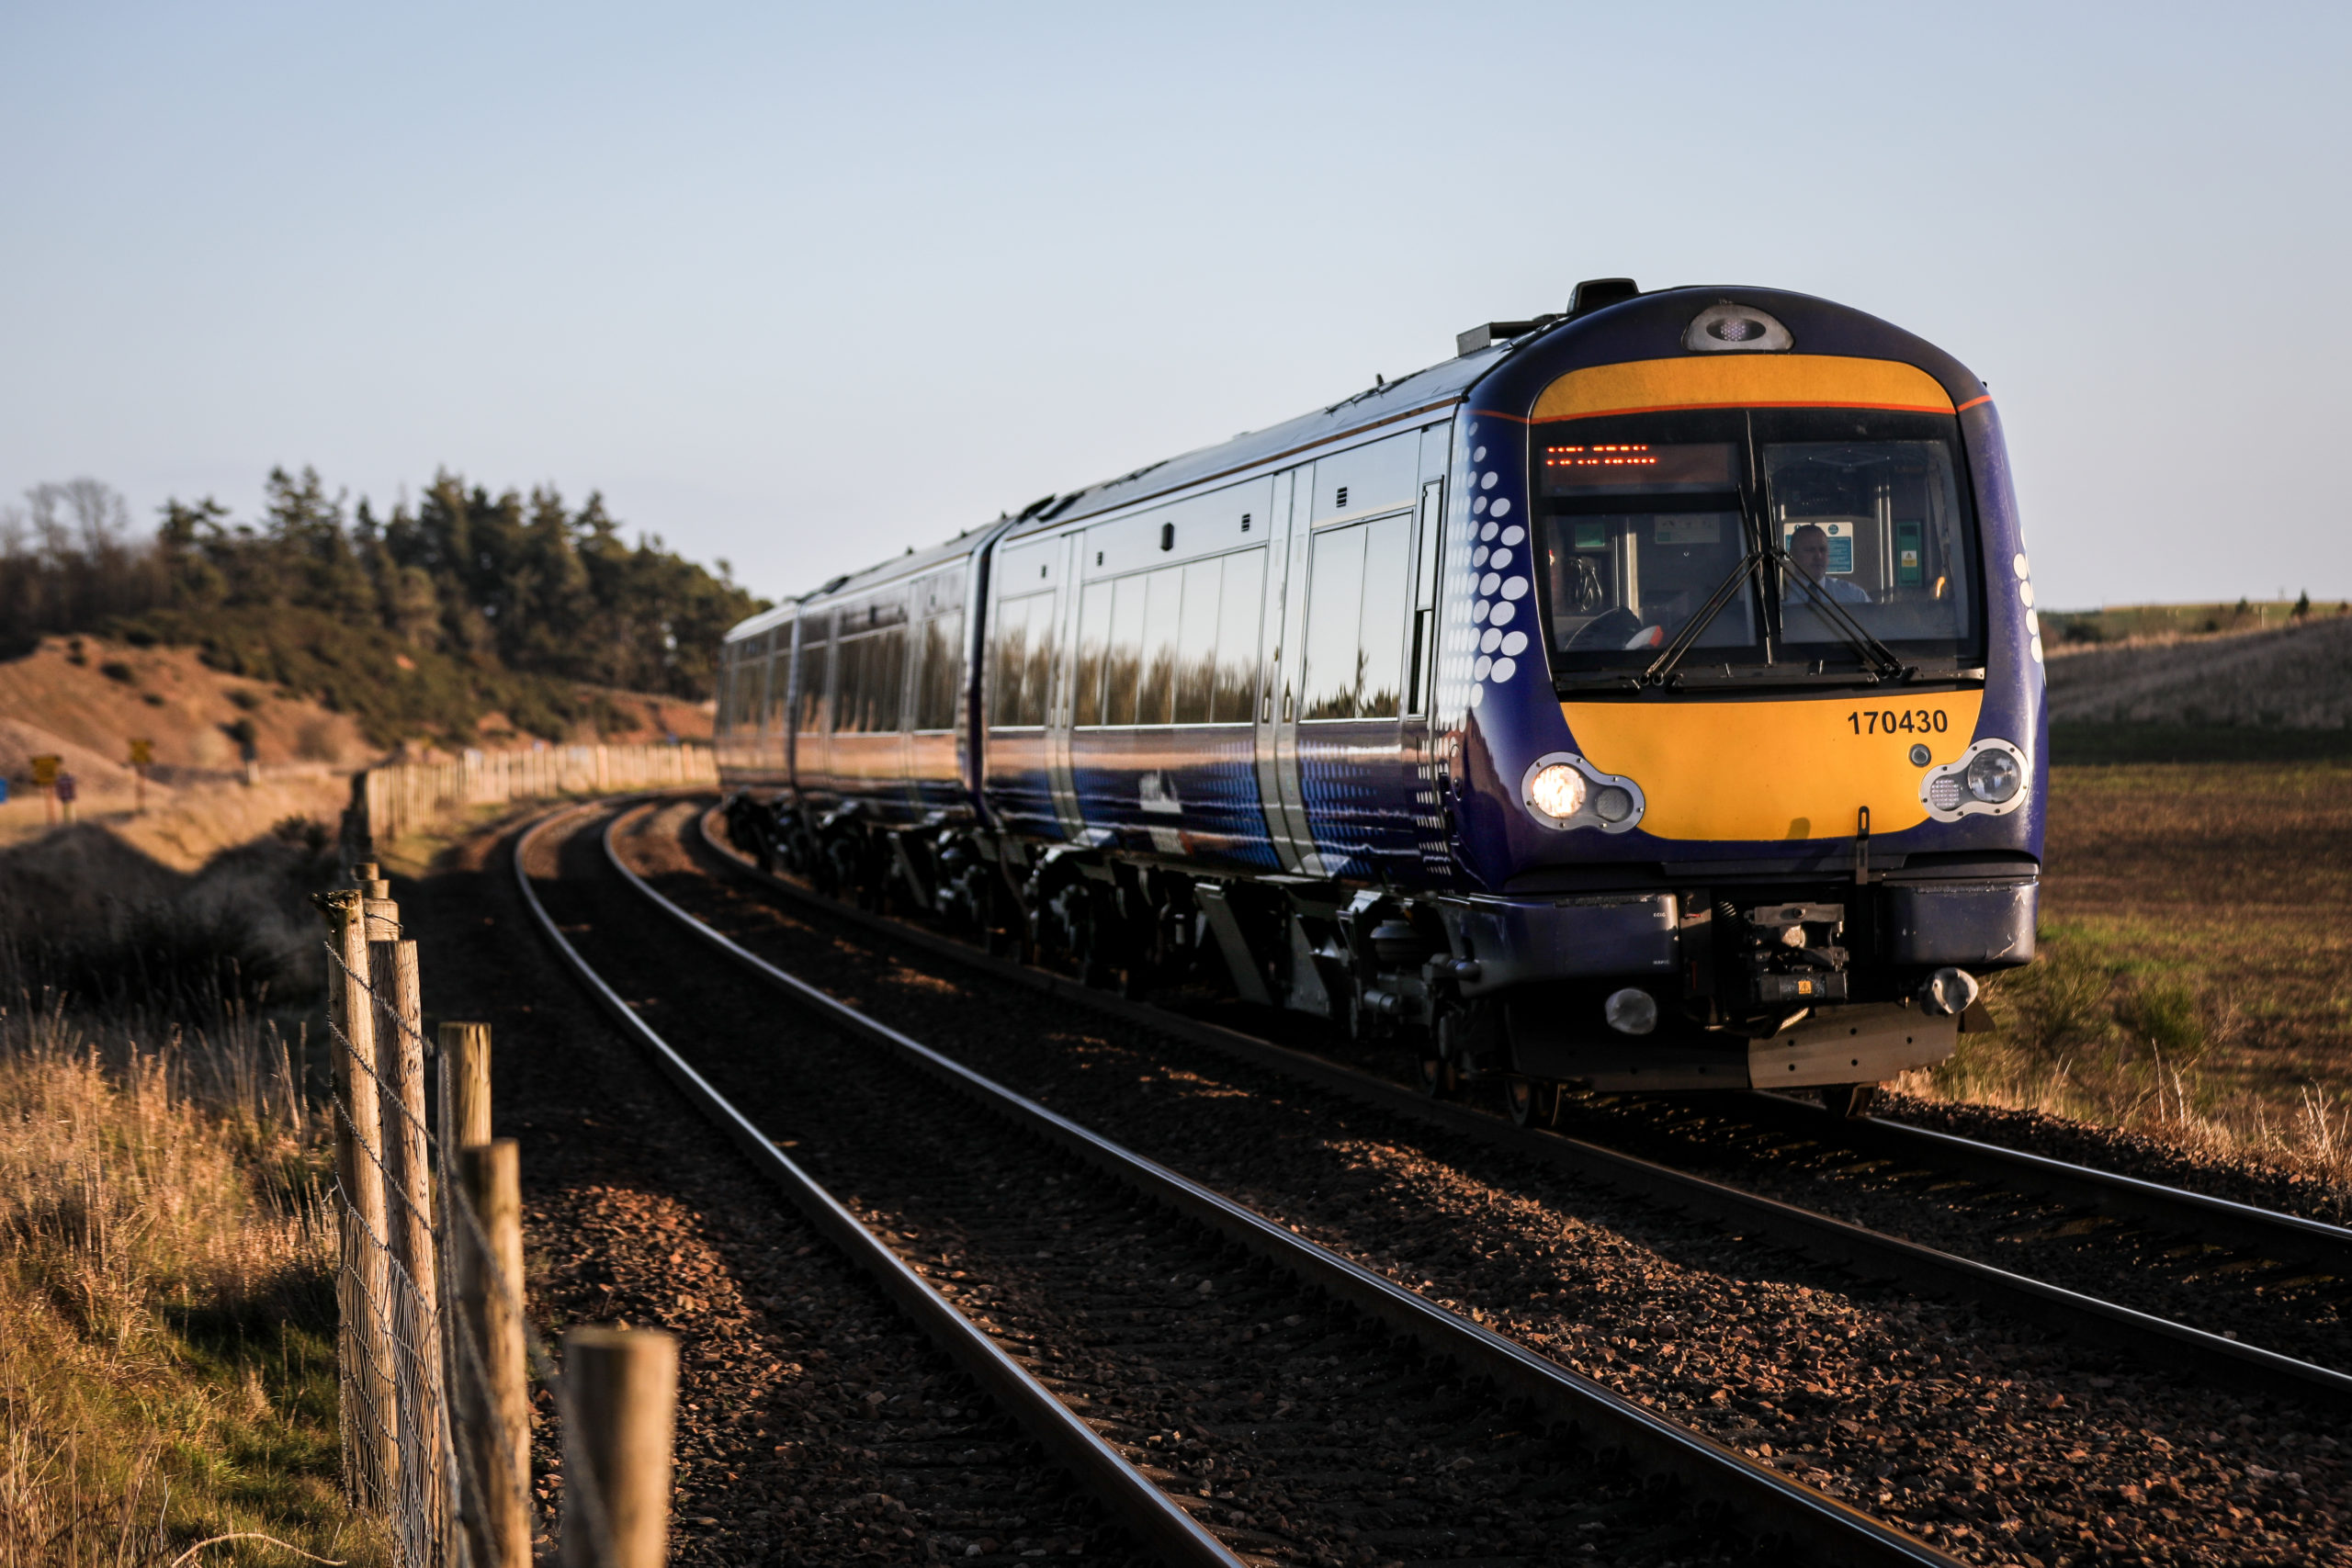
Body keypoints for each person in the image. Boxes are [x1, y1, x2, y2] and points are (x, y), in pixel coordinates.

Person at [1784, 523, 1871, 604]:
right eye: (1810, 550)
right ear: (1793, 554)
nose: (1818, 556)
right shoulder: (1780, 597)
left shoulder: (1854, 596)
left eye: (1823, 550)